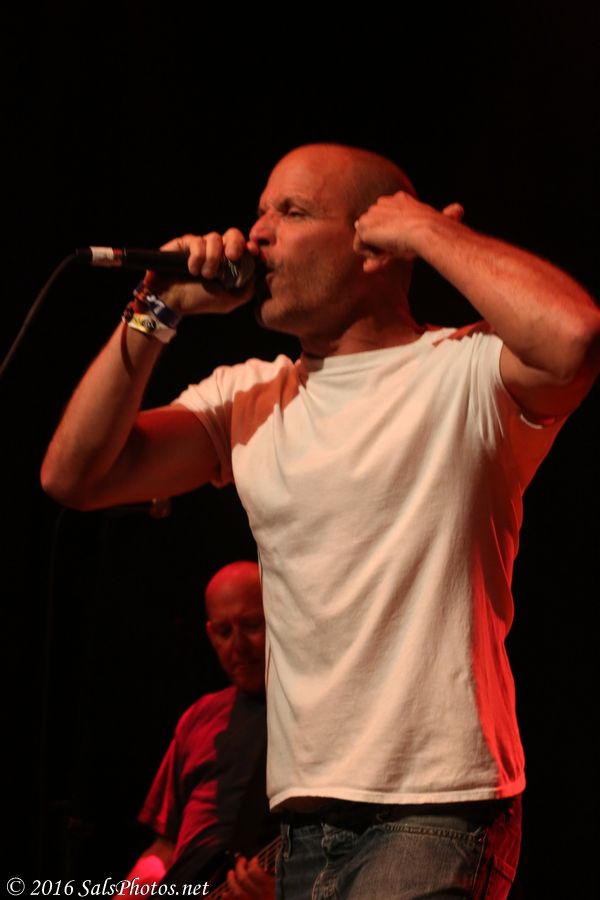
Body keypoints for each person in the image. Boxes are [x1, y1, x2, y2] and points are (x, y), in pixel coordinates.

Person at [41, 143, 600, 899]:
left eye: (292, 212)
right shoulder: (249, 397)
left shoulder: (463, 371)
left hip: (435, 810)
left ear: (376, 245)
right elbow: (75, 476)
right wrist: (156, 308)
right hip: (301, 826)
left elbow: (572, 337)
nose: (256, 234)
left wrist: (431, 231)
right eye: (259, 212)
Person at [121, 561, 277, 899]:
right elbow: (165, 848)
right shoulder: (201, 716)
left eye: (252, 625)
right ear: (210, 635)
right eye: (224, 632)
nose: (238, 646)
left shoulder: (311, 715)